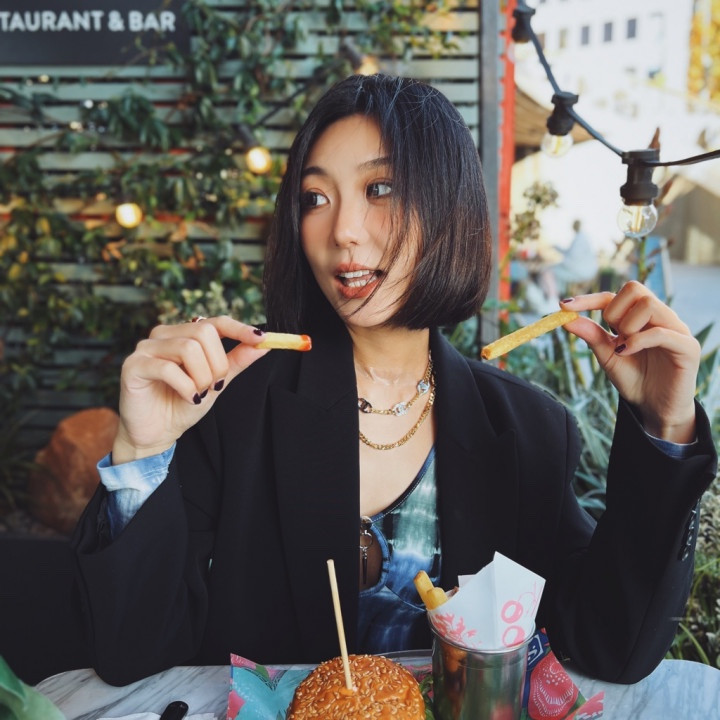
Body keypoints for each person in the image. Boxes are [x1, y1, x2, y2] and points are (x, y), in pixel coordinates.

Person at [72, 74, 716, 688]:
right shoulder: (233, 403)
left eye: (379, 188)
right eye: (315, 199)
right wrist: (142, 452)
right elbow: (133, 655)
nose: (341, 231)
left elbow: (611, 647)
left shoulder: (529, 431)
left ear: (449, 209)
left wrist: (665, 428)